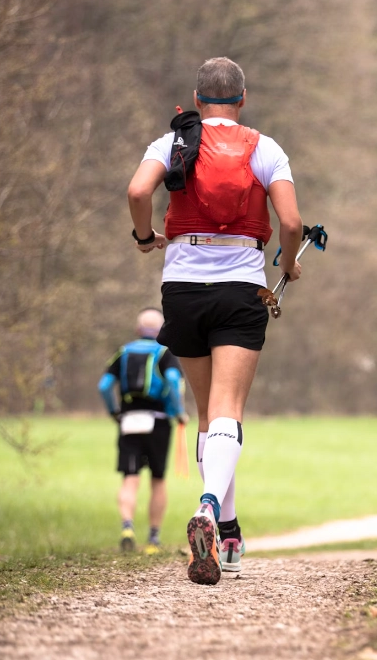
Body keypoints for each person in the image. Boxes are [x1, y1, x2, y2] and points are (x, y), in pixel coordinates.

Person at [125, 57, 304, 584]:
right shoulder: (265, 147)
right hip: (241, 288)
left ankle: (227, 532)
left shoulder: (172, 143)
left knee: (207, 414)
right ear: (242, 98)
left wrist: (144, 237)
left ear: (198, 100)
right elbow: (290, 221)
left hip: (181, 288)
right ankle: (208, 506)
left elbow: (138, 193)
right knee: (229, 411)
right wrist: (289, 264)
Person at [98, 308, 187, 554]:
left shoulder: (123, 352)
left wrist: (114, 412)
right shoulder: (165, 353)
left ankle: (127, 527)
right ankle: (153, 540)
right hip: (158, 421)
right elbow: (172, 380)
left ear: (138, 330)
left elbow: (104, 385)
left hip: (128, 420)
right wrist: (178, 411)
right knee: (157, 480)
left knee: (130, 477)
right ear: (161, 331)